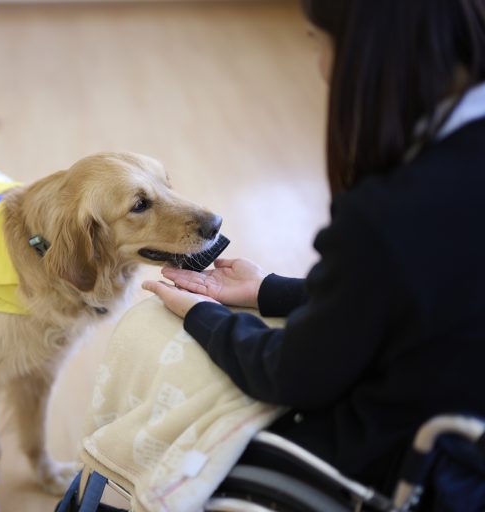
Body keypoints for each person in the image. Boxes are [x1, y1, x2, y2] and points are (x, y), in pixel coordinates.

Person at [143, 0, 485, 496]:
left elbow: (293, 374)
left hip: (410, 461)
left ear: (367, 53)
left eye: (318, 43)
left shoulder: (389, 215)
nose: (323, 67)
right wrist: (269, 290)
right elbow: (427, 293)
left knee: (148, 338)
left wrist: (201, 314)